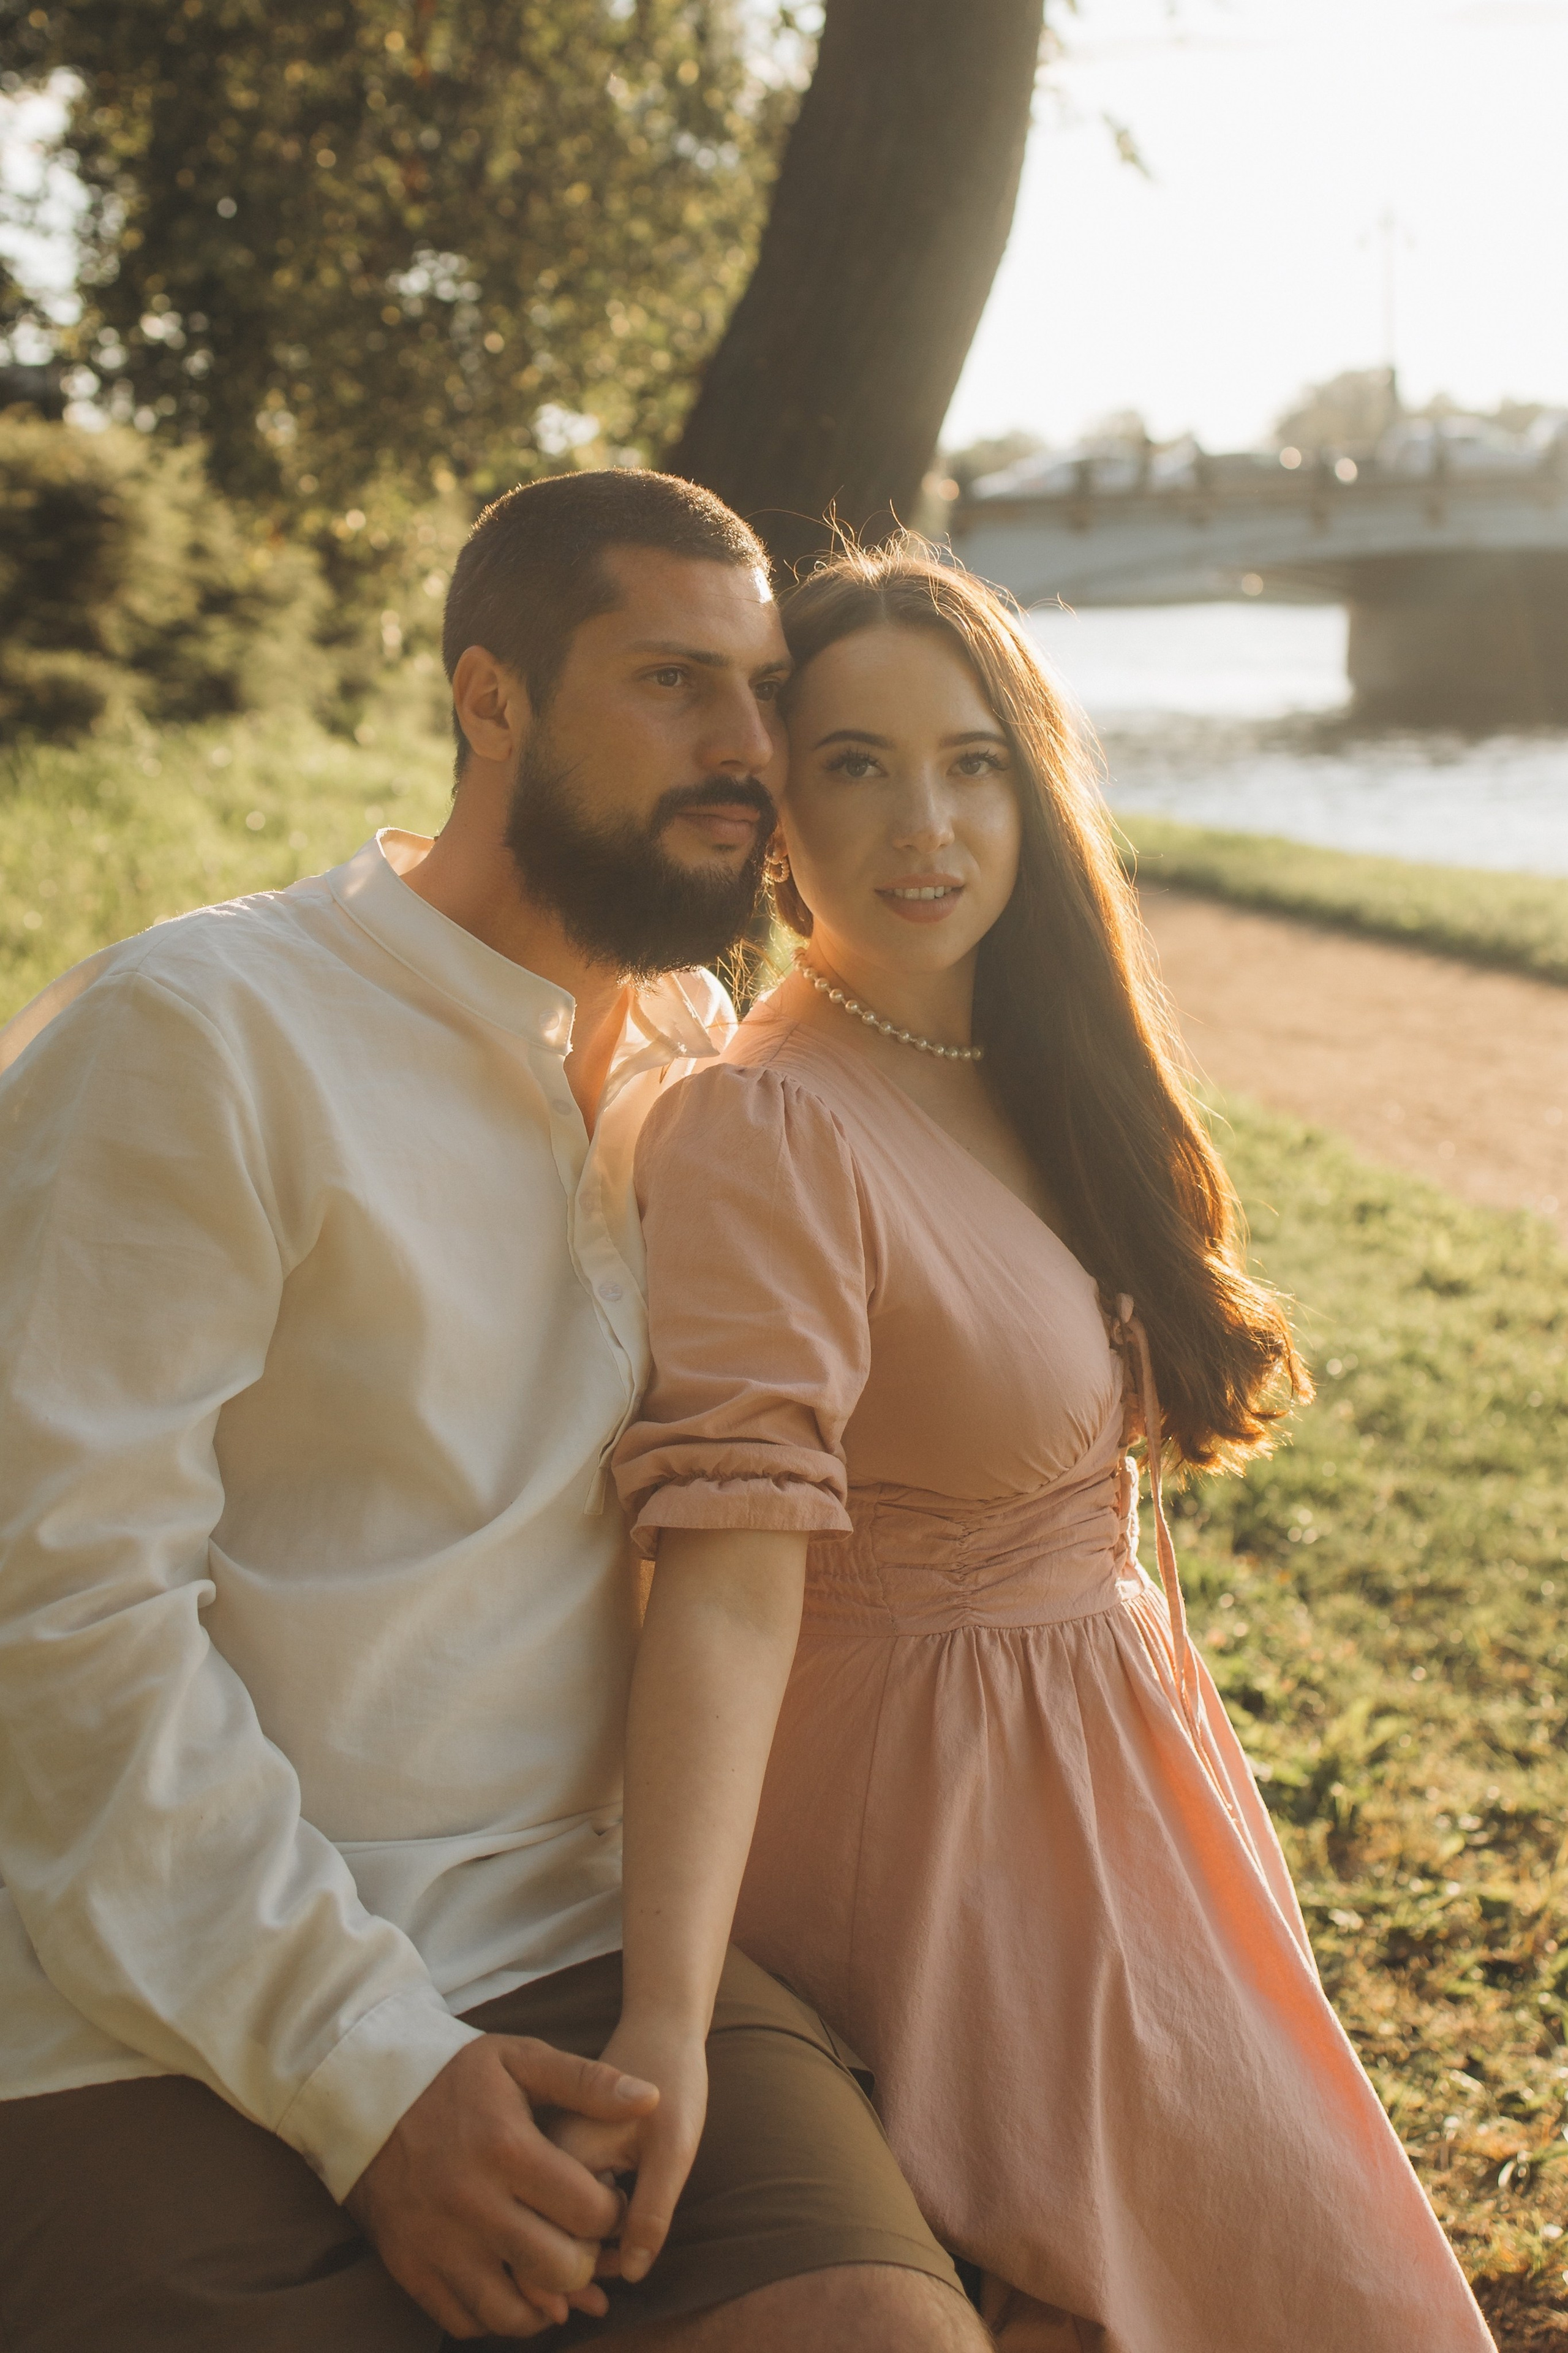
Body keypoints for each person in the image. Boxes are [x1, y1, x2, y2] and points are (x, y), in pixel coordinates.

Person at [0, 475, 987, 2353]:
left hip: (594, 1947)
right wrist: (368, 2077)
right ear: (491, 701)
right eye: (676, 684)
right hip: (142, 1994)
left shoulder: (711, 1058)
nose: (748, 750)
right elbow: (59, 1624)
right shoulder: (206, 1030)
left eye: (767, 690)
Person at [602, 540, 1496, 2351]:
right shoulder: (770, 1126)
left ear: (1032, 781)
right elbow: (715, 1598)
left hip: (1116, 1773)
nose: (923, 822)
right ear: (774, 806)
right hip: (935, 1832)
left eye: (971, 760)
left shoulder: (1028, 1057)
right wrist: (663, 2014)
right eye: (854, 762)